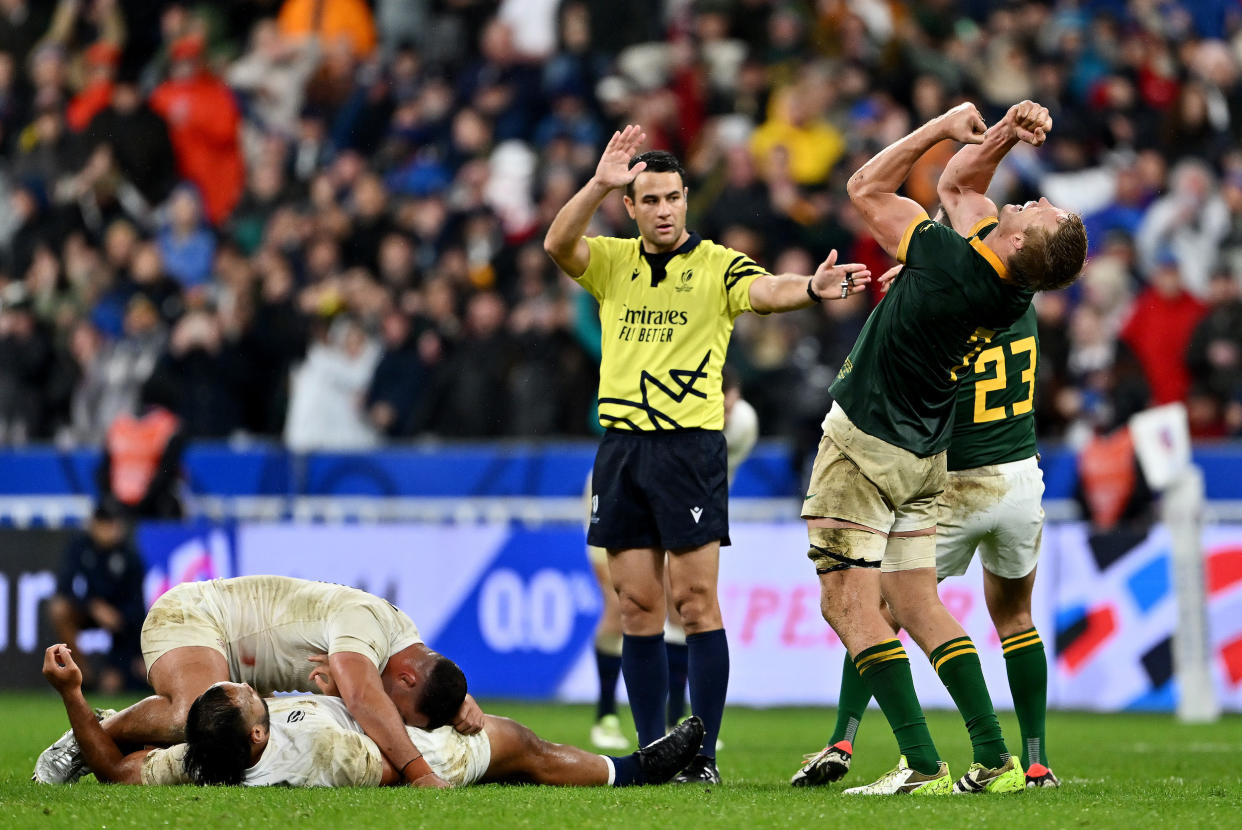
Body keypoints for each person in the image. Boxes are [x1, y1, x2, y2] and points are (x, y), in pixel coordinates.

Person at [544, 125, 871, 783]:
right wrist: (598, 183)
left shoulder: (717, 264)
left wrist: (811, 286)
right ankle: (649, 754)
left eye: (673, 197)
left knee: (695, 602)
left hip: (689, 450)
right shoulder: (610, 262)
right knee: (637, 604)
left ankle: (704, 756)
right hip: (622, 450)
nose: (664, 210)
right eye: (650, 200)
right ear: (630, 208)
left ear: (686, 199)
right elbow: (557, 243)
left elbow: (766, 291)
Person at [799, 100, 1085, 795]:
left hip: (866, 442)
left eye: (1040, 211)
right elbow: (960, 189)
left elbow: (865, 188)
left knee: (847, 605)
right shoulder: (1008, 290)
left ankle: (922, 765)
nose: (1037, 197)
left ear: (1018, 242)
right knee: (919, 604)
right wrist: (1003, 135)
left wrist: (935, 128)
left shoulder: (945, 260)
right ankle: (997, 757)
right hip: (928, 456)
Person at [792, 264, 1060, 790]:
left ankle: (846, 740)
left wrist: (916, 290)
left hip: (958, 478)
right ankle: (1036, 762)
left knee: (882, 607)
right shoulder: (1019, 302)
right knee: (1015, 618)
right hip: (1022, 474)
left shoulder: (951, 313)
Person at [40, 643, 704, 789]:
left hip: (357, 726)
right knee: (512, 740)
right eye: (250, 698)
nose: (249, 688)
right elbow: (385, 766)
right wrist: (428, 758)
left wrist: (71, 693)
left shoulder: (195, 758)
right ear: (260, 735)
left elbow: (112, 767)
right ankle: (635, 770)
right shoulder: (318, 749)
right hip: (399, 751)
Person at [34, 575, 485, 789]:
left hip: (240, 674)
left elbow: (406, 687)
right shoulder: (364, 622)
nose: (396, 715)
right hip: (196, 615)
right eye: (404, 712)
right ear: (405, 678)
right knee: (188, 715)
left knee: (210, 730)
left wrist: (459, 700)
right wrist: (420, 773)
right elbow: (366, 698)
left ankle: (117, 737)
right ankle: (88, 735)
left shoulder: (404, 651)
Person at [588, 367, 758, 750]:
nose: (727, 415)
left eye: (730, 408)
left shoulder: (744, 423)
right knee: (623, 604)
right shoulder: (673, 410)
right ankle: (605, 716)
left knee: (686, 605)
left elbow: (722, 475)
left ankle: (677, 719)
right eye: (722, 407)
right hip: (621, 488)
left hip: (683, 491)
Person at [45, 501, 146, 694]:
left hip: (120, 620)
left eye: (113, 523)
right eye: (104, 523)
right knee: (59, 609)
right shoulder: (80, 548)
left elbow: (136, 609)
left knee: (114, 686)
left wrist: (120, 664)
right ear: (94, 524)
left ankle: (115, 672)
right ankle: (81, 675)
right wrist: (93, 606)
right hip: (86, 611)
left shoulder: (130, 557)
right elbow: (64, 587)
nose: (109, 529)